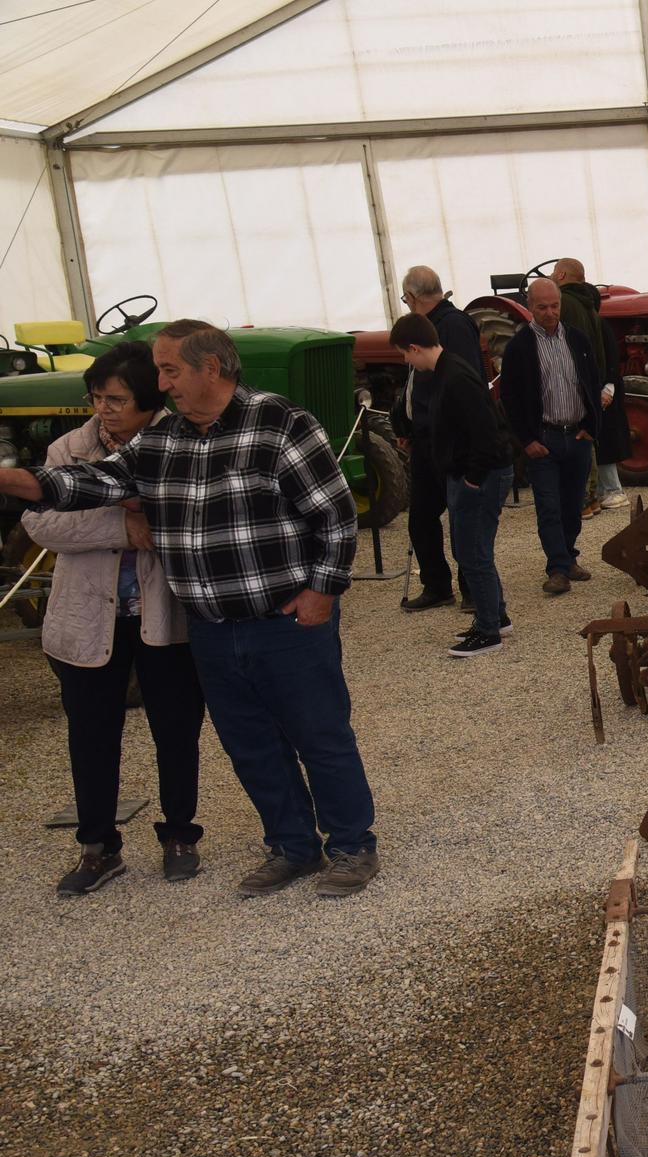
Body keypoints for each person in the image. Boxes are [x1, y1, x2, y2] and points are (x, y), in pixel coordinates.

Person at [0, 320, 384, 900]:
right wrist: (14, 480)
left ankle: (353, 846)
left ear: (212, 368)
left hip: (285, 620)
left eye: (169, 370)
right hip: (210, 629)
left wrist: (321, 594)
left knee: (319, 734)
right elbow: (89, 482)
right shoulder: (161, 441)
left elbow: (334, 515)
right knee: (250, 744)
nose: (161, 383)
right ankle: (292, 847)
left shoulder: (281, 423)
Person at [21, 342, 207, 897]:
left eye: (118, 399)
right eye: (98, 398)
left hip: (165, 616)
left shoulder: (184, 443)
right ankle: (97, 847)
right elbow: (41, 525)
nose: (105, 409)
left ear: (150, 401)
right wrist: (123, 530)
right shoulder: (67, 448)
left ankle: (180, 835)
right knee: (90, 735)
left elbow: (193, 517)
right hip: (86, 619)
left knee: (176, 729)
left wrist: (141, 520)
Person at [391, 312, 512, 658]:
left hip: (480, 475)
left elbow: (486, 433)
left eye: (404, 354)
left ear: (415, 348)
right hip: (467, 473)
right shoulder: (448, 371)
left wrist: (473, 478)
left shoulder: (455, 376)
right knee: (471, 549)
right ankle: (496, 615)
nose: (405, 361)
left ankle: (489, 630)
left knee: (472, 552)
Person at [499, 277, 602, 595]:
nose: (549, 312)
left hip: (578, 436)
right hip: (544, 439)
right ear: (530, 307)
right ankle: (557, 568)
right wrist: (526, 440)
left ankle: (569, 556)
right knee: (548, 505)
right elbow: (510, 398)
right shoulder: (519, 348)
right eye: (542, 307)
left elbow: (592, 382)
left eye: (554, 306)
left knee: (573, 504)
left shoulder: (577, 340)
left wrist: (591, 427)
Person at [394, 265, 485, 612]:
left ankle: (473, 587)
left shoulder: (453, 325)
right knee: (421, 515)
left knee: (462, 515)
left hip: (446, 439)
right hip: (424, 438)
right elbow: (415, 384)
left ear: (414, 297)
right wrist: (404, 423)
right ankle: (436, 584)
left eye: (406, 299)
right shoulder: (424, 327)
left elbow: (461, 385)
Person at [549, 257, 627, 515]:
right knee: (588, 435)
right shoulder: (590, 308)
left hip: (572, 383)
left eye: (552, 274)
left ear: (560, 276)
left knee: (577, 437)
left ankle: (584, 497)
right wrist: (603, 382)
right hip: (592, 380)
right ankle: (593, 495)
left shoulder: (564, 305)